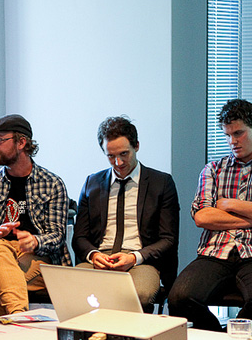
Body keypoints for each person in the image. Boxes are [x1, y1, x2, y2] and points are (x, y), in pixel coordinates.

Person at [168, 99, 252, 336]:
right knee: (179, 299)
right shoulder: (213, 169)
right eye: (227, 135)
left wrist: (229, 204)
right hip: (215, 252)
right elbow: (202, 217)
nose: (232, 141)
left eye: (238, 133)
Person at [72, 116, 180, 312]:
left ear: (136, 146)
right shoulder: (92, 183)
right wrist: (93, 254)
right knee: (69, 289)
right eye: (111, 156)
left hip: (141, 261)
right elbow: (79, 237)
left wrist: (135, 257)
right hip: (100, 259)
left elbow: (168, 239)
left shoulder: (161, 183)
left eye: (124, 154)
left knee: (137, 295)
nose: (118, 162)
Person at [0, 114, 71, 317]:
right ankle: (19, 318)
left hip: (35, 257)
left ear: (21, 142)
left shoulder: (52, 183)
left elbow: (57, 236)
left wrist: (35, 241)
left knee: (4, 282)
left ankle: (11, 320)